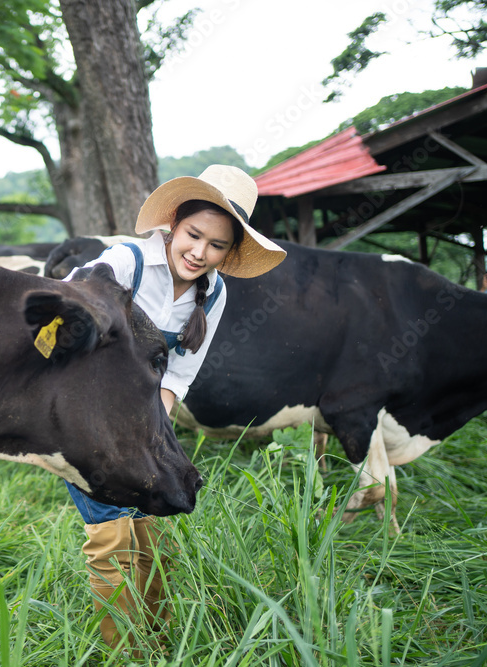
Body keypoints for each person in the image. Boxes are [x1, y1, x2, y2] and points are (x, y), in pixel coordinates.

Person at [63, 165, 287, 653]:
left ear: (230, 253)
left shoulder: (216, 293)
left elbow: (180, 373)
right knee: (111, 535)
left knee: (155, 524)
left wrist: (148, 436)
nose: (199, 252)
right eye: (193, 235)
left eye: (216, 246)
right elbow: (63, 312)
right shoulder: (126, 263)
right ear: (173, 225)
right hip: (82, 412)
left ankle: (162, 639)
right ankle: (126, 651)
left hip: (143, 416)